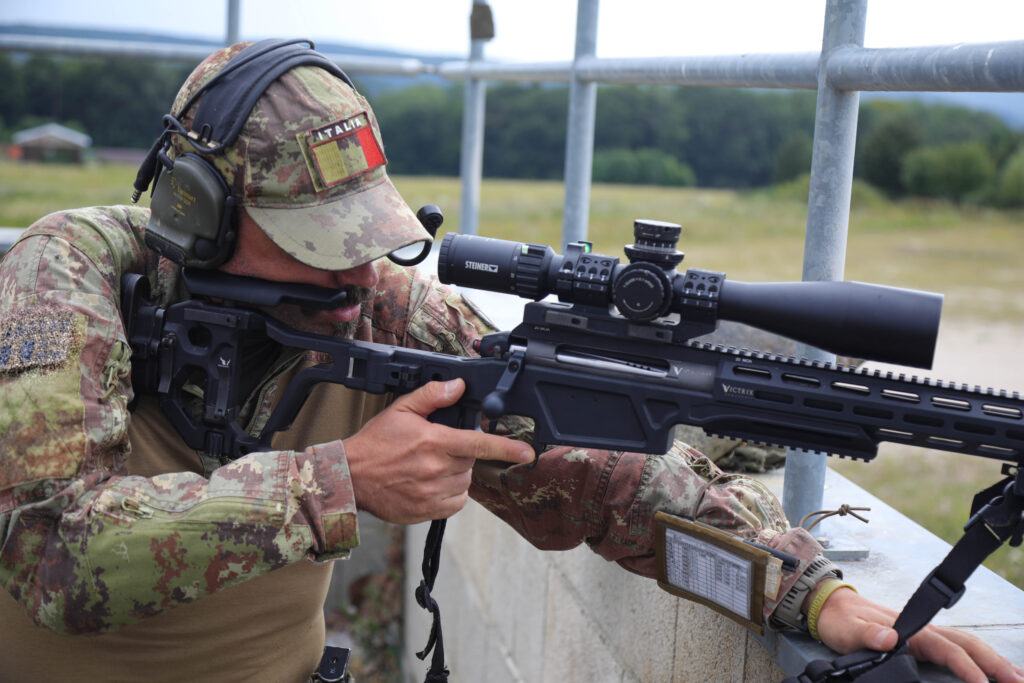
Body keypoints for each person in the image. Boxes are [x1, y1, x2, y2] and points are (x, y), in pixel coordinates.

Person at [0, 40, 1019, 683]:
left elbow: (594, 475)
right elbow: (54, 552)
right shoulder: (73, 269)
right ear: (197, 210)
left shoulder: (375, 302)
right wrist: (340, 482)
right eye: (314, 232)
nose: (354, 264)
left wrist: (806, 593)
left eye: (361, 228)